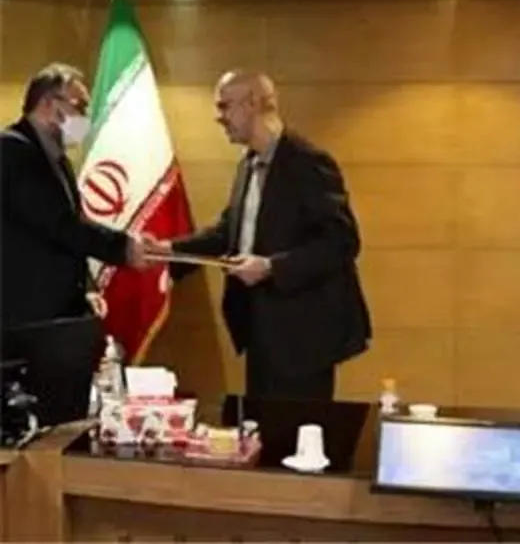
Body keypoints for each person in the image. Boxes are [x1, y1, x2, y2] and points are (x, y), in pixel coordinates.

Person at [148, 70, 371, 401]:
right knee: (261, 426)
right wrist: (166, 250)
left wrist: (271, 267)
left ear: (251, 103)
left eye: (224, 106)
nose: (219, 117)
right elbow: (229, 233)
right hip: (260, 331)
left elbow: (342, 241)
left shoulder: (307, 162)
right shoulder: (247, 165)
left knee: (296, 429)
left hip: (303, 338)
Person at [0, 63, 149, 329]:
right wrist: (122, 247)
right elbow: (57, 224)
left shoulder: (60, 161)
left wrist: (86, 288)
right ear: (47, 103)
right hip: (25, 315)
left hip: (58, 312)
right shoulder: (11, 150)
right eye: (79, 106)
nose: (85, 117)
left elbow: (75, 224)